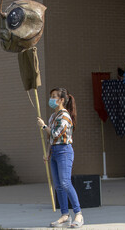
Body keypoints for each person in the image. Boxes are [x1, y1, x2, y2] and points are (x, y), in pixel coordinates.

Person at [37, 88, 84, 228]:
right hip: (54, 153)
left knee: (65, 182)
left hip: (64, 151)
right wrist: (47, 153)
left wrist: (43, 125)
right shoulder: (53, 116)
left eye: (54, 97)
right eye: (51, 96)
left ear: (61, 100)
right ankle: (65, 215)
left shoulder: (64, 116)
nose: (51, 99)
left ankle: (79, 214)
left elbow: (55, 134)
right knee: (58, 185)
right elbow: (50, 139)